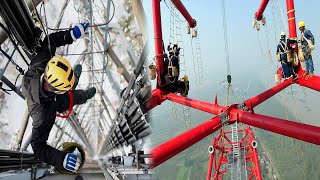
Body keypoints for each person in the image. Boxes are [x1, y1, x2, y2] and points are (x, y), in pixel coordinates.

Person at [21, 22, 96, 173]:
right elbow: (38, 146)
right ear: (58, 90)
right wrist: (61, 159)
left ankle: (74, 78)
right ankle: (85, 95)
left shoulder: (39, 65)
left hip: (48, 96)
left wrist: (70, 35)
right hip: (50, 105)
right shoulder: (42, 115)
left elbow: (51, 40)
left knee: (71, 92)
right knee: (73, 98)